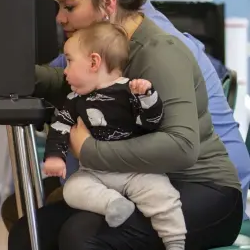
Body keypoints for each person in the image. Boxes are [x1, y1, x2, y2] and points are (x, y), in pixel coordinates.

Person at [7, 0, 243, 250]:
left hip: (206, 191)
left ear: (107, 4)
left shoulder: (159, 53)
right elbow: (63, 81)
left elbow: (181, 146)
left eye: (69, 7)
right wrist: (5, 72)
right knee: (29, 234)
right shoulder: (106, 51)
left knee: (81, 236)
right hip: (143, 182)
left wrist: (89, 151)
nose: (60, 18)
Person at [44, 23, 186, 250]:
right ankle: (113, 204)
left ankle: (175, 242)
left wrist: (148, 97)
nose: (65, 70)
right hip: (95, 174)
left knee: (162, 194)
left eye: (69, 61)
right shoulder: (74, 100)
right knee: (72, 189)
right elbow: (60, 127)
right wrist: (55, 157)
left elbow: (151, 123)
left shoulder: (130, 91)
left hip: (136, 171)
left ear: (93, 62)